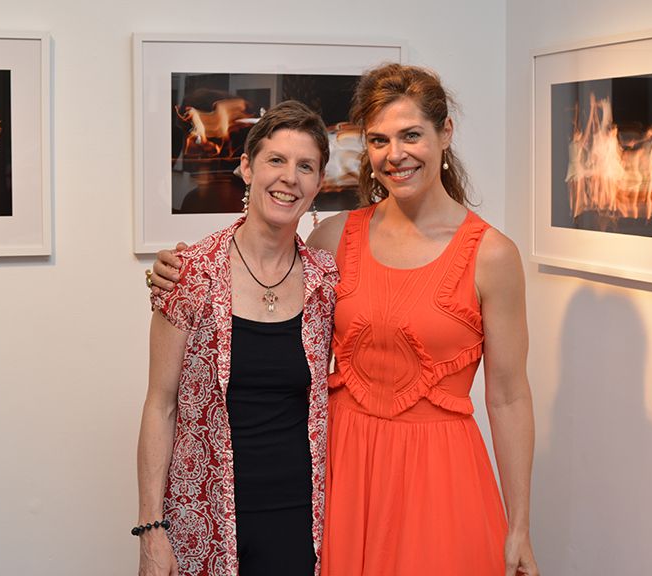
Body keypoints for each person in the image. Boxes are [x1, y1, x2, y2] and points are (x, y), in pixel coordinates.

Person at [149, 63, 539, 576]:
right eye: (378, 139)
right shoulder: (332, 240)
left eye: (411, 135)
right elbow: (261, 300)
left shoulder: (492, 255)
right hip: (342, 476)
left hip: (439, 475)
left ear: (445, 133)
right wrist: (176, 271)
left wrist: (520, 526)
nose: (394, 154)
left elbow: (508, 396)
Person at [136, 100, 338, 576]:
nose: (290, 177)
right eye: (276, 160)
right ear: (247, 167)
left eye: (305, 166)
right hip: (203, 520)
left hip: (302, 524)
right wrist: (150, 528)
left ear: (319, 184)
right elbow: (160, 405)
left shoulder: (326, 281)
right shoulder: (189, 274)